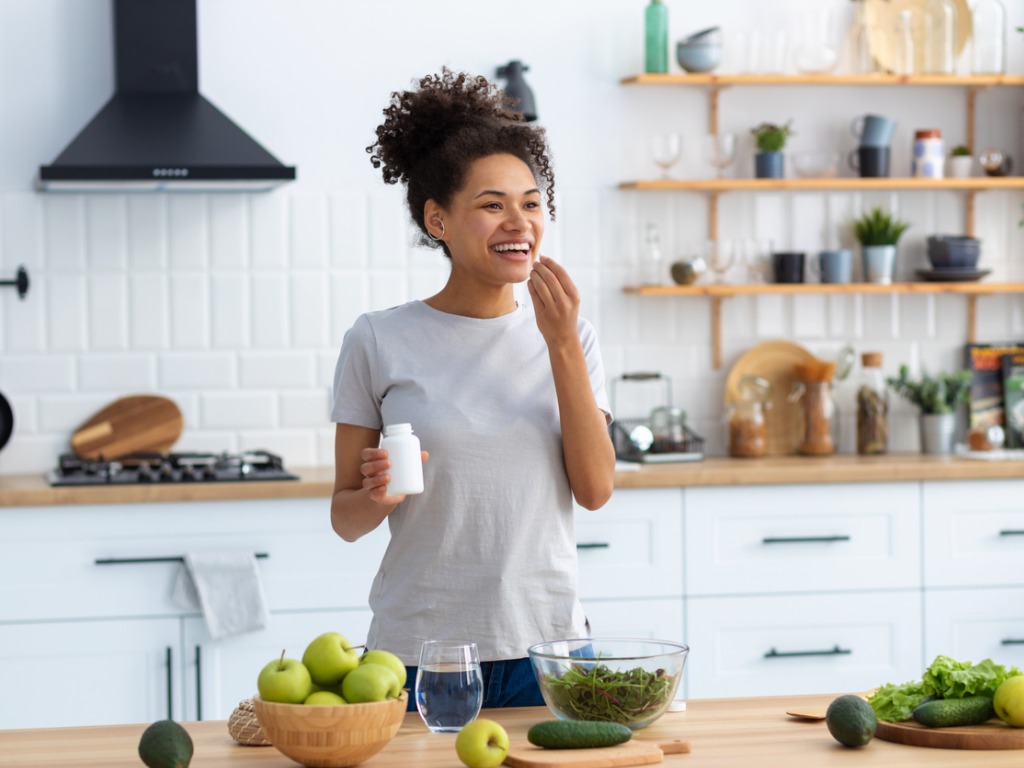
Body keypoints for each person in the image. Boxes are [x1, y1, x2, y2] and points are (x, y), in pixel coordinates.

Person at [330, 69, 615, 710]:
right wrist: (378, 495)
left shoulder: (573, 336)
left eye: (532, 202)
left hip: (551, 650)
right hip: (421, 655)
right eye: (492, 204)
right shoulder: (378, 340)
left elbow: (595, 490)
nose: (519, 221)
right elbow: (345, 519)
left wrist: (562, 342)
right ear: (439, 220)